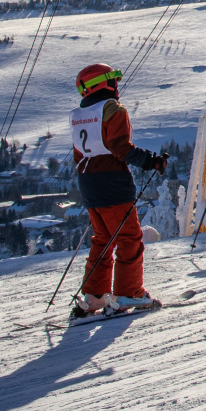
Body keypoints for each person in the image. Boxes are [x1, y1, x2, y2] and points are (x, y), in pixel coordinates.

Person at [68, 62, 167, 319]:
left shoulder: (77, 115)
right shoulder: (112, 109)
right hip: (112, 182)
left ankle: (94, 296)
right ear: (104, 83)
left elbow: (82, 153)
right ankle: (129, 293)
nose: (116, 86)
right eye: (114, 81)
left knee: (102, 239)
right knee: (129, 239)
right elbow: (120, 148)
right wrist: (152, 162)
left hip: (87, 183)